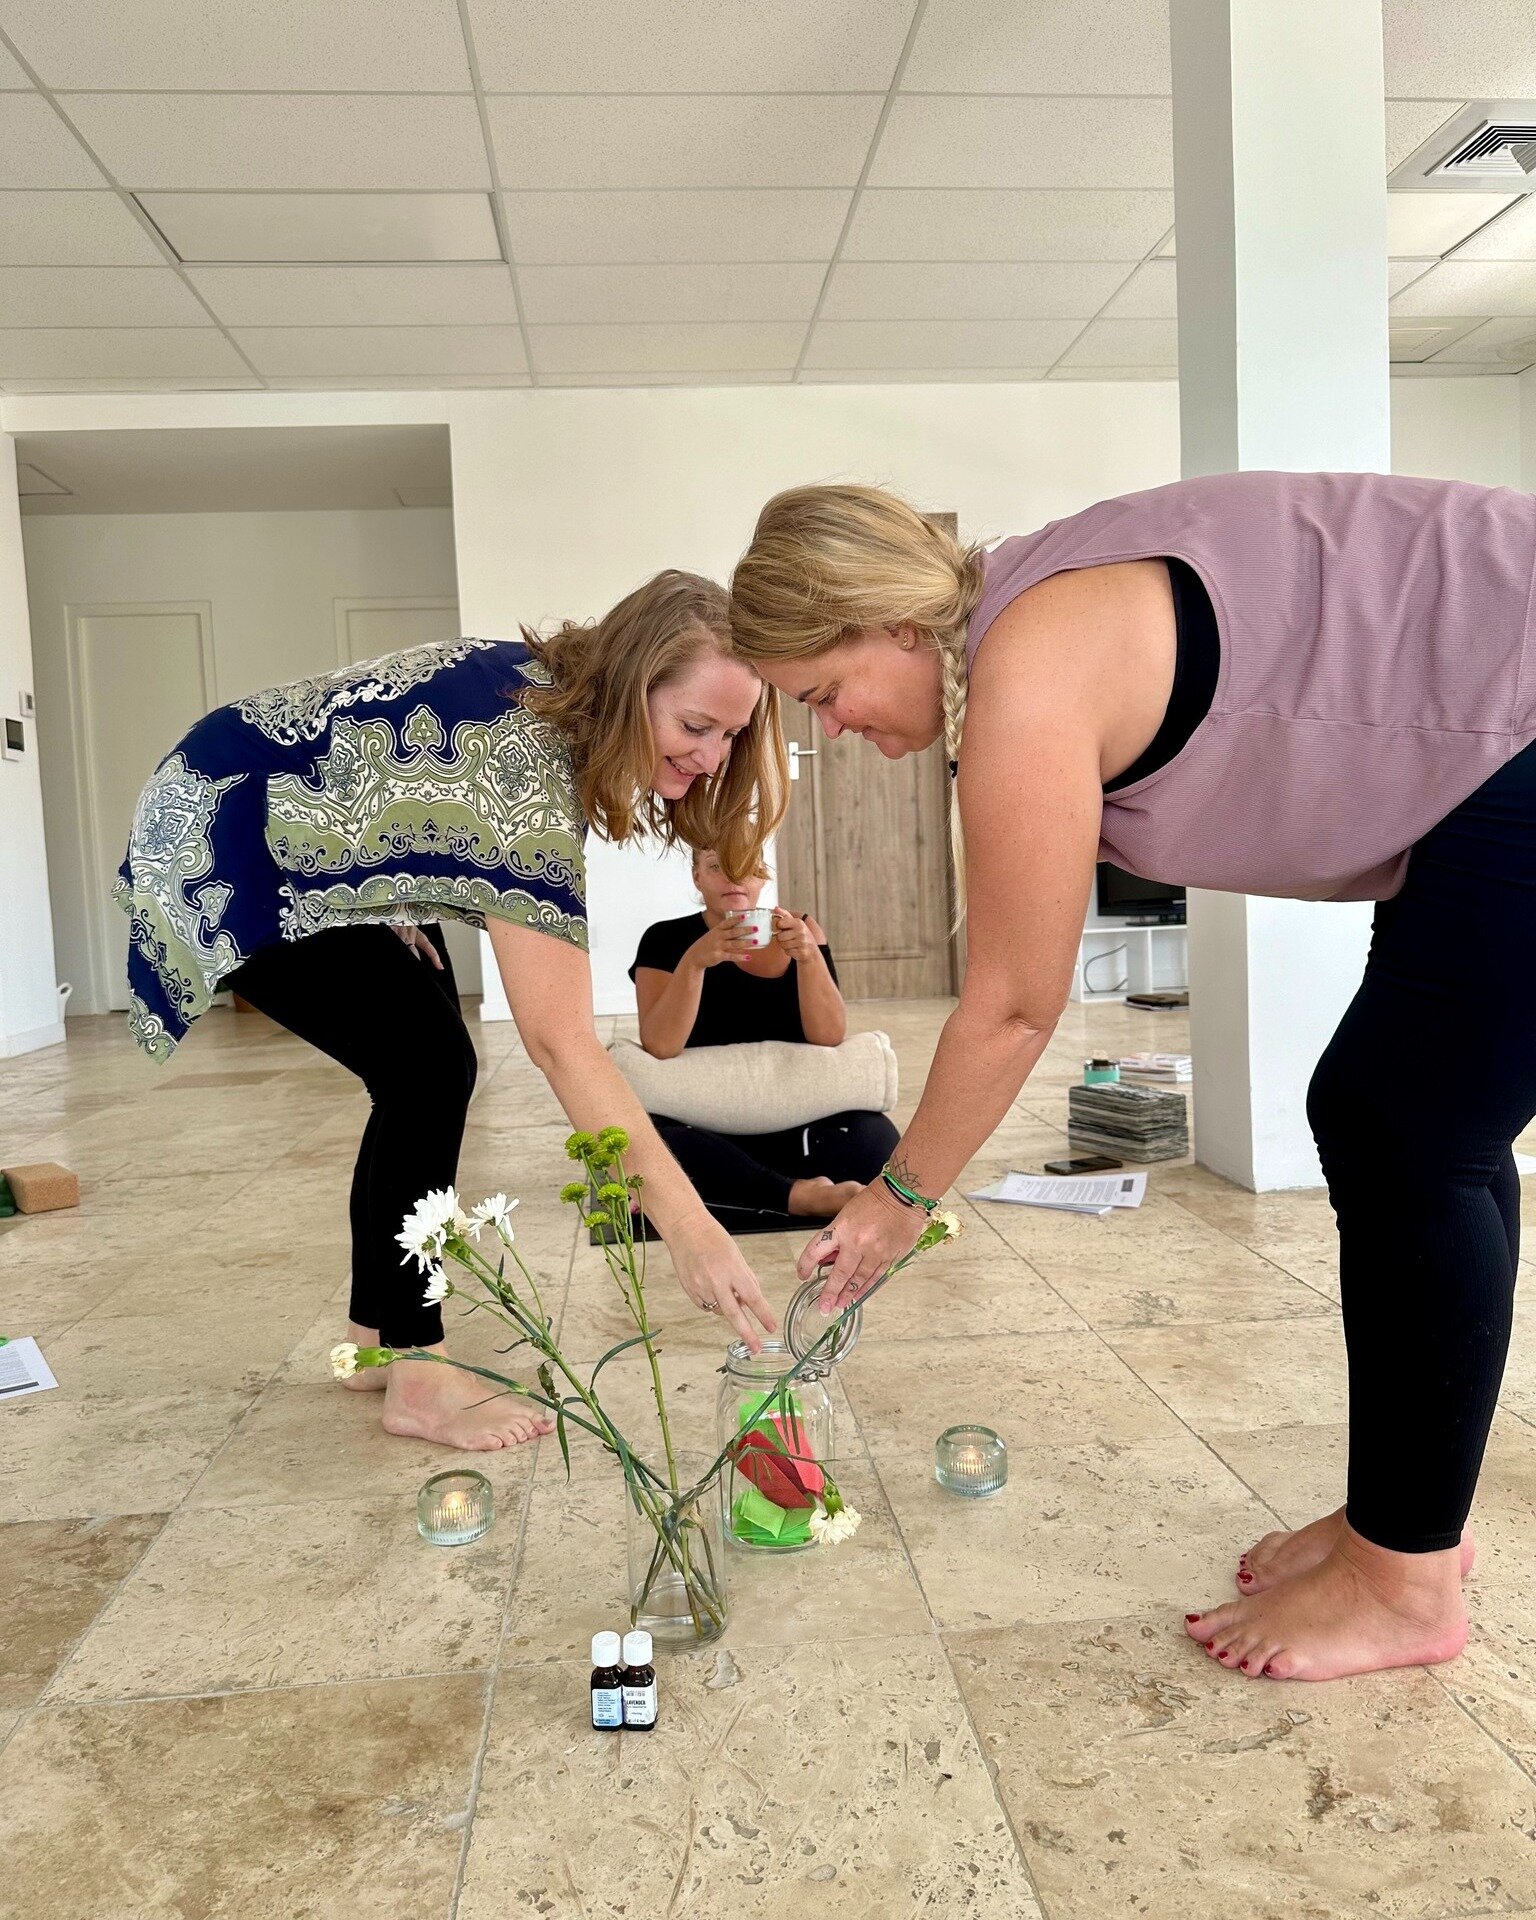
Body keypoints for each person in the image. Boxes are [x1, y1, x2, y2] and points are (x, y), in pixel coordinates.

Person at [728, 472, 1536, 1684]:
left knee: (1407, 1128)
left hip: (1514, 718)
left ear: (893, 622)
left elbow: (1011, 1004)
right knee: (1415, 1121)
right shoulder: (1031, 602)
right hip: (1482, 740)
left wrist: (895, 1203)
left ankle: (1405, 1578)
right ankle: (1405, 1526)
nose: (833, 728)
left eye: (826, 693)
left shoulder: (1027, 669)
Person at [118, 572, 783, 1451]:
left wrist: (382, 895)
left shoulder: (551, 700)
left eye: (731, 735)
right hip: (223, 830)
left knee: (421, 1062)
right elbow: (560, 1040)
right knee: (428, 1066)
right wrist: (692, 1229)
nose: (711, 757)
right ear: (628, 683)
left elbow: (375, 741)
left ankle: (376, 1337)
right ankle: (419, 1370)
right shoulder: (526, 755)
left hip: (304, 838)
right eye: (695, 726)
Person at [629, 846, 899, 1232]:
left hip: (799, 1119)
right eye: (717, 866)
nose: (733, 879)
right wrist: (695, 962)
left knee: (876, 1141)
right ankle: (796, 1197)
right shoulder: (664, 939)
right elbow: (660, 1046)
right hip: (706, 1126)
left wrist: (809, 958)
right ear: (697, 878)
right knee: (648, 1146)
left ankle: (755, 1190)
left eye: (746, 867)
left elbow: (828, 1037)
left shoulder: (800, 927)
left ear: (762, 877)